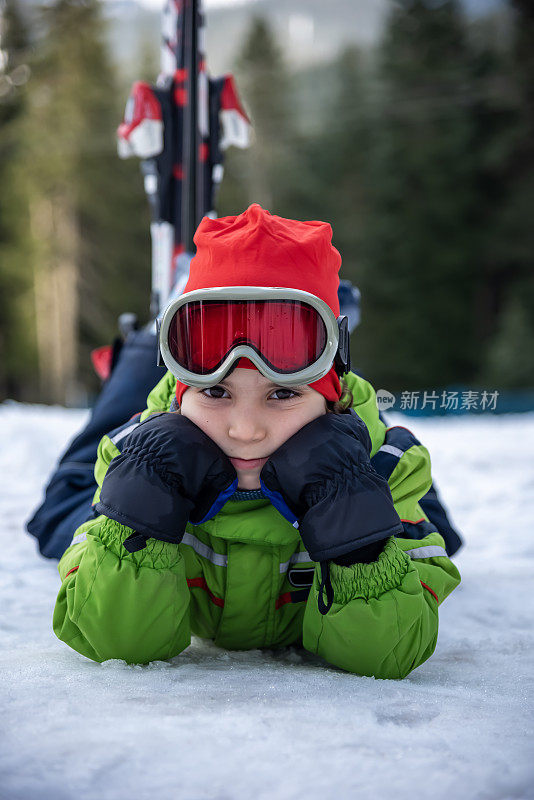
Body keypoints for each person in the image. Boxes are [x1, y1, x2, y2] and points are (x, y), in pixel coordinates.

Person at [51, 203, 461, 678]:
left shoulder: (386, 471)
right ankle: (145, 347)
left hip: (339, 422)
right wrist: (139, 502)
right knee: (61, 512)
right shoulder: (136, 457)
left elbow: (386, 654)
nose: (245, 429)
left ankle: (297, 354)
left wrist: (355, 527)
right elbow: (114, 639)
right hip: (170, 433)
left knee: (439, 533)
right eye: (215, 391)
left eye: (281, 393)